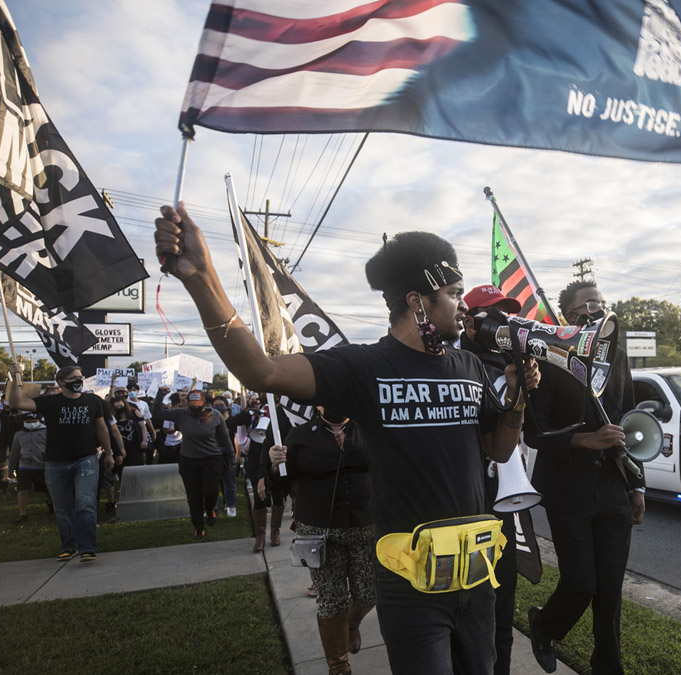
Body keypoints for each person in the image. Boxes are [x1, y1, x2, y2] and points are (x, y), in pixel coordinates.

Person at [154, 203, 538, 675]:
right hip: (411, 584)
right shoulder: (364, 367)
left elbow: (498, 450)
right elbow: (261, 369)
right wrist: (201, 277)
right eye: (454, 294)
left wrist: (518, 395)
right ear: (419, 301)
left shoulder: (471, 366)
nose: (463, 306)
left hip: (475, 577)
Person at [525, 280, 644, 675]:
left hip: (612, 488)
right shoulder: (548, 356)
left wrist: (636, 484)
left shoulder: (619, 357)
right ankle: (543, 625)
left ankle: (607, 668)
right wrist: (585, 440)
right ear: (569, 316)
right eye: (588, 302)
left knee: (610, 593)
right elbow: (534, 433)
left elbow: (627, 422)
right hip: (567, 490)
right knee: (581, 585)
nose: (597, 306)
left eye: (601, 301)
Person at [458, 283, 535, 675]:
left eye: (508, 316)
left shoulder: (514, 364)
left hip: (503, 503)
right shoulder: (455, 365)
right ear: (470, 324)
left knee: (502, 604)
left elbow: (529, 433)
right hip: (469, 501)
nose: (503, 324)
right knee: (468, 611)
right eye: (494, 317)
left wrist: (524, 390)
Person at [265, 408, 374, 675]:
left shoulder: (369, 428)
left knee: (369, 592)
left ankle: (349, 623)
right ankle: (338, 666)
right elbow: (280, 484)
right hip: (319, 530)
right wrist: (274, 463)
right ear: (318, 405)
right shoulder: (300, 436)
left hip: (365, 526)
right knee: (330, 600)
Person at [7, 363, 114, 562]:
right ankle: (69, 546)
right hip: (56, 463)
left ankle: (87, 547)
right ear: (61, 382)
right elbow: (16, 403)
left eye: (80, 377)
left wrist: (109, 453)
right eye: (74, 378)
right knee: (62, 507)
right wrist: (14, 379)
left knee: (85, 503)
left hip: (86, 459)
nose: (79, 381)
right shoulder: (50, 402)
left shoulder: (93, 401)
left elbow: (102, 429)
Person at [151, 388, 234, 540]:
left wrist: (231, 457)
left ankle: (210, 510)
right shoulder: (181, 414)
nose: (195, 408)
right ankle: (199, 527)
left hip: (212, 458)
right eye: (192, 405)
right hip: (189, 460)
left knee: (211, 490)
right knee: (193, 495)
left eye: (198, 405)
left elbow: (225, 437)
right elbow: (156, 413)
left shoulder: (215, 415)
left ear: (203, 403)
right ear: (188, 404)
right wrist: (160, 395)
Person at [227, 400, 287, 552]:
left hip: (275, 461)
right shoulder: (252, 416)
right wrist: (246, 412)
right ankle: (260, 536)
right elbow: (231, 423)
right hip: (255, 461)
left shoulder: (283, 413)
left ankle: (275, 532)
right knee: (259, 497)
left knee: (278, 495)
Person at [9, 411, 52, 523]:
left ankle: (51, 504)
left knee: (47, 489)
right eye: (28, 422)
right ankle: (23, 514)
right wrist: (11, 468)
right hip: (25, 465)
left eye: (34, 422)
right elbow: (14, 452)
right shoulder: (19, 434)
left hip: (43, 465)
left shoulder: (47, 432)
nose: (31, 424)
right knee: (22, 489)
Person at [212, 396, 239, 518]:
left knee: (230, 483)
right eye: (216, 404)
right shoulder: (209, 421)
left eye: (221, 404)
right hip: (214, 456)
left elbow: (236, 438)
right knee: (213, 484)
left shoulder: (232, 421)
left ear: (227, 406)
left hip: (228, 457)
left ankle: (230, 505)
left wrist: (237, 454)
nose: (218, 406)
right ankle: (213, 507)